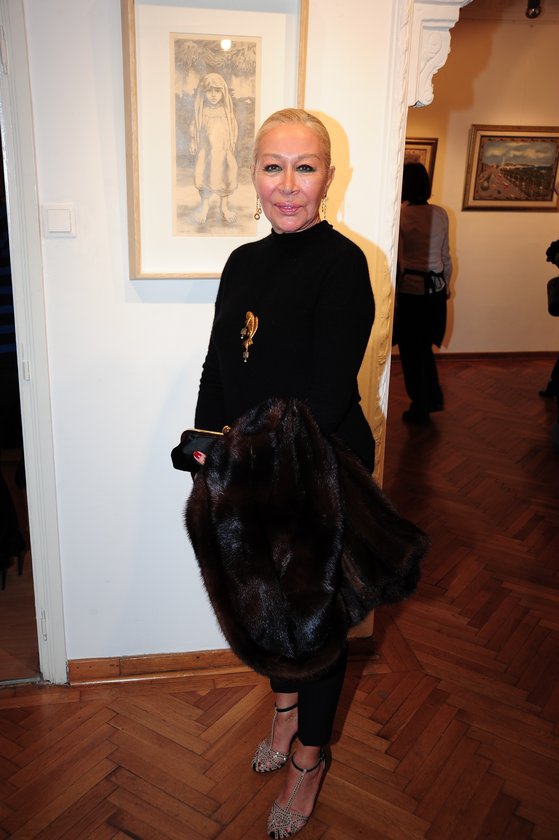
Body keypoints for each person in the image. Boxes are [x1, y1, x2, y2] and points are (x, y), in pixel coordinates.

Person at [191, 109, 376, 838]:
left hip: (319, 469)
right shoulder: (243, 261)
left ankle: (308, 760)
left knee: (316, 625)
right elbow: (217, 365)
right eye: (273, 166)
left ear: (329, 176)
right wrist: (206, 446)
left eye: (305, 167)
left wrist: (250, 460)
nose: (288, 185)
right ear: (254, 175)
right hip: (249, 465)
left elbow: (325, 394)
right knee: (265, 608)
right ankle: (284, 710)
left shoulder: (343, 264)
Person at [396, 161, 452, 425]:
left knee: (411, 352)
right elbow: (445, 256)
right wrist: (446, 286)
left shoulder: (401, 216)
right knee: (424, 348)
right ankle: (430, 399)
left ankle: (421, 404)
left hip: (411, 292)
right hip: (435, 291)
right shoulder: (440, 213)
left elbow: (399, 261)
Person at [189, 72, 238, 225]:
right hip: (206, 151)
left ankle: (224, 207)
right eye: (209, 91)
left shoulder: (226, 111)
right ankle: (204, 206)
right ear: (203, 93)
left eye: (217, 91)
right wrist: (193, 140)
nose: (213, 95)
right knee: (204, 175)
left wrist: (232, 142)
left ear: (223, 93)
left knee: (225, 175)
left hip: (223, 151)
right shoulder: (201, 111)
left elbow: (233, 126)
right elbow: (195, 126)